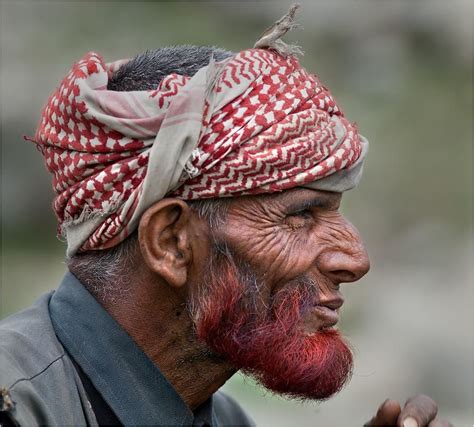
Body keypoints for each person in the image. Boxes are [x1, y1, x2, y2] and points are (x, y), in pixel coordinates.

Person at [0, 6, 451, 427]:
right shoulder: (16, 402)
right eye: (302, 216)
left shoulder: (221, 416)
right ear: (172, 243)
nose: (355, 260)